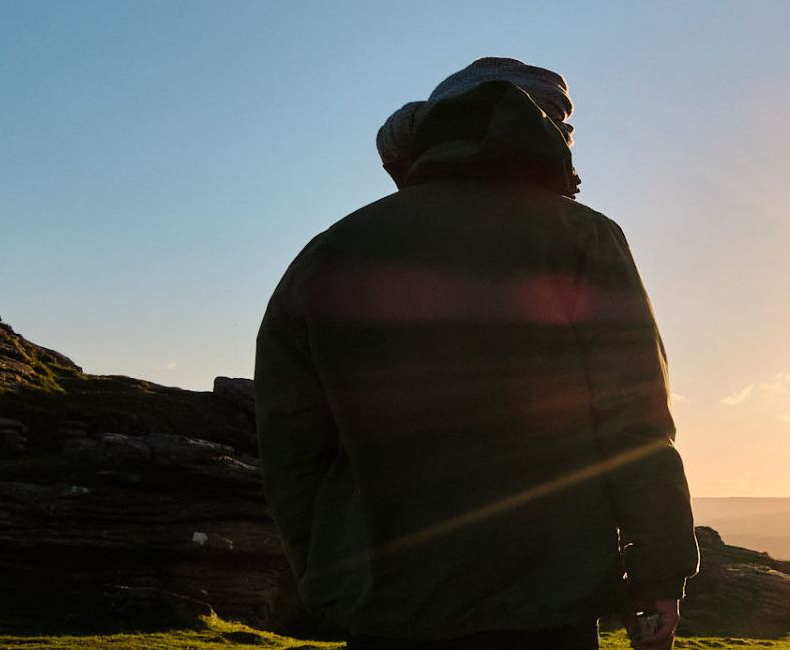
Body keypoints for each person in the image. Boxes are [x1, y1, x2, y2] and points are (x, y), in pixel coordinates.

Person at [256, 58, 697, 650]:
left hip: (389, 608)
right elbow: (634, 422)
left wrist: (328, 574)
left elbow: (291, 445)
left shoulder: (332, 252)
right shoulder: (584, 238)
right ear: (546, 133)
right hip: (548, 607)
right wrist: (658, 575)